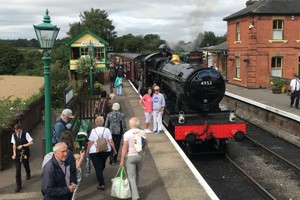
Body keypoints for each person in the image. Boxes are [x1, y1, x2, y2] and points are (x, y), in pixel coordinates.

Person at [86, 116, 117, 190]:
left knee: (98, 167)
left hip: (95, 151)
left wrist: (87, 151)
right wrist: (114, 150)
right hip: (106, 151)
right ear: (103, 122)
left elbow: (90, 142)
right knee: (102, 165)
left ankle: (101, 184)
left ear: (96, 123)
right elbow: (111, 141)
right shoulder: (107, 130)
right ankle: (100, 177)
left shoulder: (93, 131)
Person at [120, 117, 147, 200]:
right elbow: (146, 143)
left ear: (130, 124)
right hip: (140, 156)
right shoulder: (143, 132)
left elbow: (125, 147)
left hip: (130, 157)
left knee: (131, 176)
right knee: (137, 173)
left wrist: (121, 160)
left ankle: (135, 196)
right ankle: (135, 188)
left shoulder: (127, 134)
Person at [11, 124, 33, 192]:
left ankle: (28, 173)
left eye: (19, 131)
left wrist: (23, 145)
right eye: (17, 131)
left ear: (21, 129)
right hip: (17, 154)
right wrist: (14, 154)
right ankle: (18, 185)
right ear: (15, 130)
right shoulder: (13, 135)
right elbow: (14, 145)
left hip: (25, 153)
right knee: (18, 170)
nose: (18, 133)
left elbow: (31, 142)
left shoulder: (26, 134)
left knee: (26, 164)